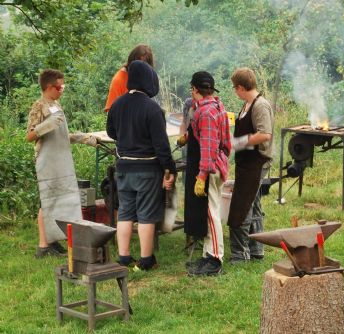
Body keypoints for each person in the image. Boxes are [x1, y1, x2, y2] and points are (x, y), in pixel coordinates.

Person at [106, 60, 176, 271]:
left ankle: (124, 257)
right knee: (146, 213)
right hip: (147, 170)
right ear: (148, 80)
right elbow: (161, 145)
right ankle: (146, 260)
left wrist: (126, 138)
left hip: (124, 168)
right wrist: (169, 169)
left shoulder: (117, 104)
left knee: (126, 211)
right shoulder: (153, 108)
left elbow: (111, 132)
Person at [26, 69, 97, 258]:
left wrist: (81, 138)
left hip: (61, 158)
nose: (62, 90)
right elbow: (30, 135)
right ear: (49, 87)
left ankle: (52, 240)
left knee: (59, 199)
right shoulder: (38, 106)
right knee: (46, 200)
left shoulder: (56, 104)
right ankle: (43, 246)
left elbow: (62, 136)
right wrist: (46, 125)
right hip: (46, 160)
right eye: (60, 87)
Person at [183, 71, 231, 276]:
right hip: (217, 164)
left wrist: (202, 176)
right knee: (210, 212)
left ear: (195, 89)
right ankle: (208, 254)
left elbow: (209, 148)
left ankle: (216, 260)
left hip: (210, 168)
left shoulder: (206, 113)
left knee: (211, 213)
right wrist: (187, 136)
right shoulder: (216, 105)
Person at [227, 67, 274, 263]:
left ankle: (240, 254)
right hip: (246, 162)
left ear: (241, 87)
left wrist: (241, 142)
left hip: (256, 161)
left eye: (234, 88)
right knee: (253, 206)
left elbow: (265, 134)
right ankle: (257, 249)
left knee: (242, 206)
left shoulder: (260, 105)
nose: (234, 91)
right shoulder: (247, 104)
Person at [104, 44, 154, 112]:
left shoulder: (144, 78)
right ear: (131, 61)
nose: (141, 69)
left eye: (144, 66)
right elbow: (111, 111)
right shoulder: (118, 80)